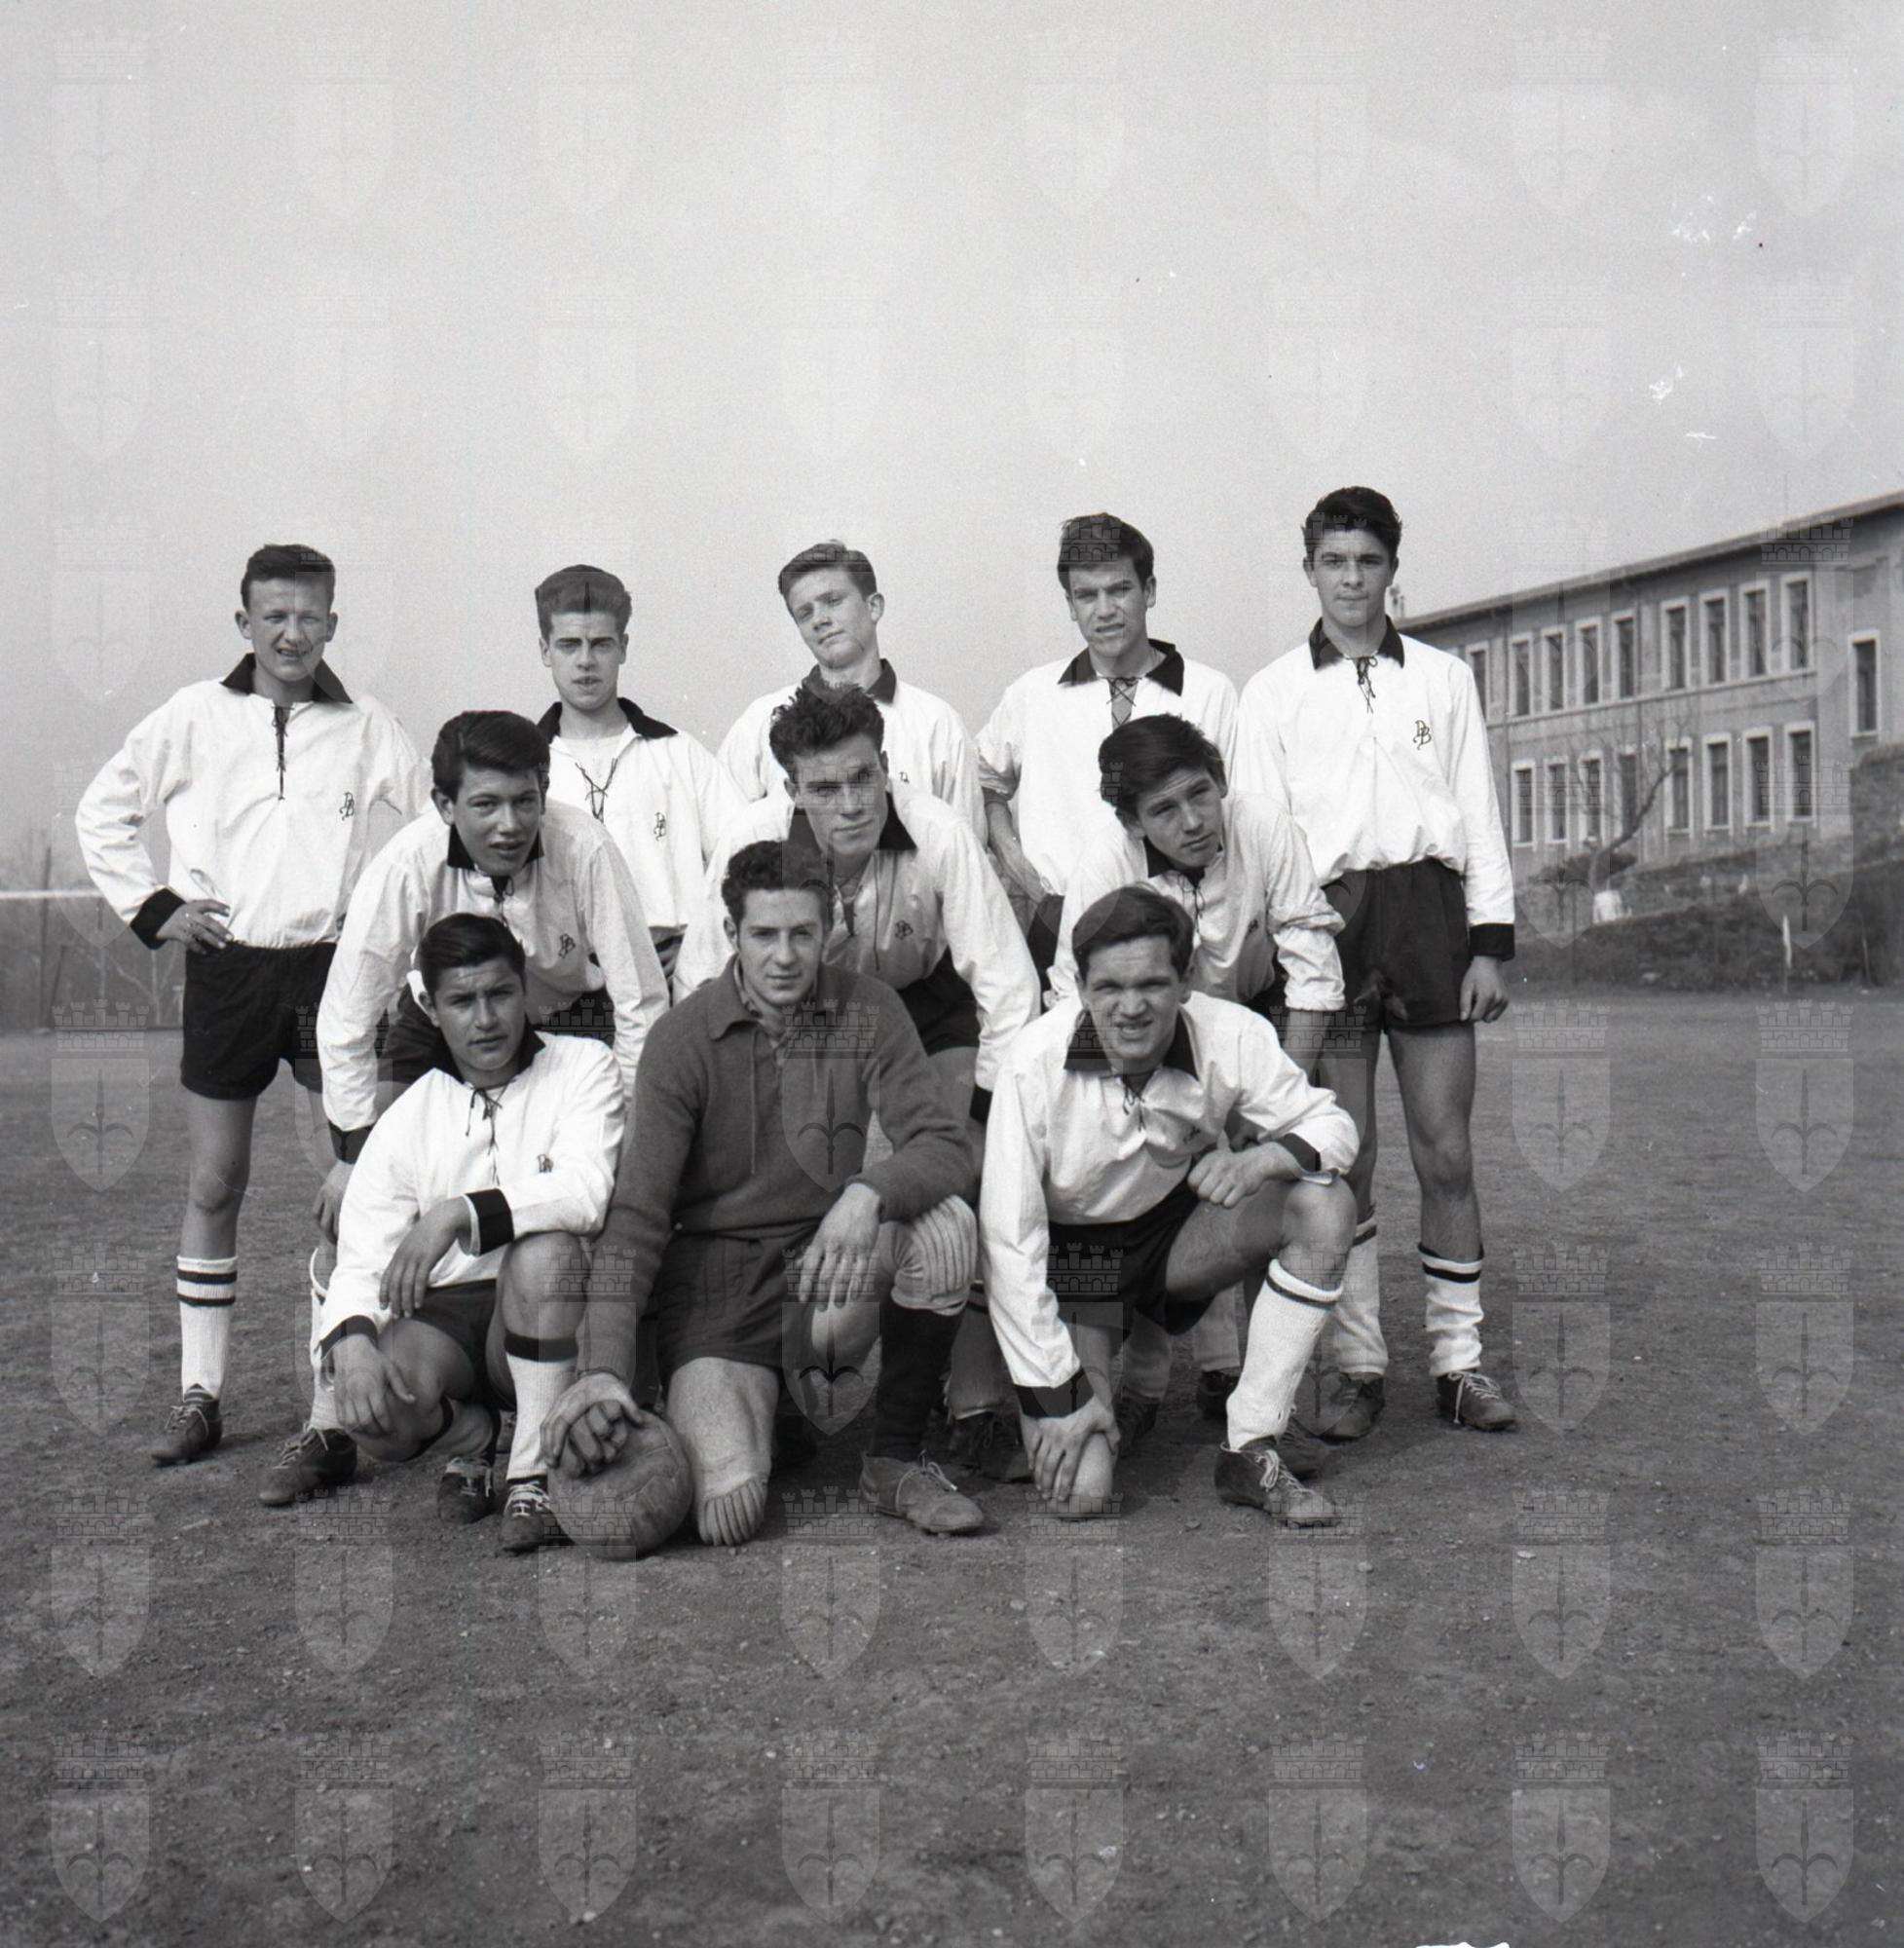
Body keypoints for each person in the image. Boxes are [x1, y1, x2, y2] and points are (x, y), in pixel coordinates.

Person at [73, 542, 426, 1488]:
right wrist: (157, 908)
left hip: (327, 974)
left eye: (309, 616)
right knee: (215, 1181)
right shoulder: (194, 713)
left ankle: (330, 1415)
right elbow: (102, 811)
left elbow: (433, 821)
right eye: (274, 616)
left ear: (332, 624)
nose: (291, 633)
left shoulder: (366, 724)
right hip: (227, 969)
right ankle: (200, 1394)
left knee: (352, 1188)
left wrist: (396, 931)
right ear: (245, 622)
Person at [540, 840, 987, 1548]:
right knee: (730, 1514)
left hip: (822, 1268)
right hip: (715, 1290)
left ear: (828, 930)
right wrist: (601, 1368)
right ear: (732, 933)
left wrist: (868, 1194)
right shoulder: (680, 1039)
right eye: (764, 935)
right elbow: (636, 1220)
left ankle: (895, 1460)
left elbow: (943, 1146)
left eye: (802, 934)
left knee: (943, 1227)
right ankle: (760, 1411)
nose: (784, 956)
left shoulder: (869, 1008)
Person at [306, 710, 668, 1505]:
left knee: (587, 1215)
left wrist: (630, 1139)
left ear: (545, 791)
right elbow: (346, 1013)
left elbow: (640, 999)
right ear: (444, 805)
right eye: (484, 805)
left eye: (524, 800)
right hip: (438, 1013)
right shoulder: (406, 863)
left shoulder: (584, 848)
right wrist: (350, 1151)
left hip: (570, 1018)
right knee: (362, 1205)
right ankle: (331, 1417)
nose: (508, 824)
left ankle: (560, 1404)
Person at [681, 684, 1040, 1473]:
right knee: (788, 1174)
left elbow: (1008, 990)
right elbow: (702, 982)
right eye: (823, 788)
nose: (850, 805)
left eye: (862, 778)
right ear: (790, 789)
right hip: (799, 1012)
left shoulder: (937, 830)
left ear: (885, 764)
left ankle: (972, 1400)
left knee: (965, 1177)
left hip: (924, 1007)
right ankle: (781, 1374)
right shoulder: (752, 839)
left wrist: (981, 1121)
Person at [1232, 486, 1517, 1440]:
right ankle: (1358, 1366)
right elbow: (1262, 837)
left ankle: (1458, 1363)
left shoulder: (1442, 677)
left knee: (1447, 1150)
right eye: (1332, 562)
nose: (1350, 579)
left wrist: (1489, 941)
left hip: (1428, 919)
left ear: (1392, 570)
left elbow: (1476, 809)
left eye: (1366, 561)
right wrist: (1279, 950)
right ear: (1308, 569)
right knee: (1344, 1157)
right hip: (1328, 927)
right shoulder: (1271, 692)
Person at [982, 886, 1359, 1522]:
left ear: (1185, 981)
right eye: (1108, 987)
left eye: (1152, 984)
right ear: (1079, 987)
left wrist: (1261, 1159)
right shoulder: (1031, 1063)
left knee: (1322, 1205)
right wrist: (1058, 1393)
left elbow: (1333, 1127)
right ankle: (1100, 1375)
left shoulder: (1230, 1032)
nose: (1130, 1007)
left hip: (1173, 1239)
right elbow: (1009, 1243)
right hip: (1076, 1261)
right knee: (1083, 1494)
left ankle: (1252, 1442)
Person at [1049, 714, 1347, 1430]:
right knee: (1157, 1181)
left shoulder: (1263, 826)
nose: (1191, 821)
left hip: (1256, 1021)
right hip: (1144, 1041)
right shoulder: (1101, 866)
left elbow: (1312, 970)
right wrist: (1162, 1108)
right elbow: (1074, 1004)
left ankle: (1265, 1404)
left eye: (1200, 794)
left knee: (1292, 1177)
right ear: (1131, 822)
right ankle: (1144, 1380)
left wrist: (1262, 1127)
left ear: (1220, 782)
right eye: (1163, 809)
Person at [319, 916, 622, 1553]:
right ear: (431, 1008)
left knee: (546, 1254)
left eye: (500, 994)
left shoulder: (584, 1065)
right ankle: (473, 1435)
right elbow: (362, 1254)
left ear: (525, 990)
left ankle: (530, 1475)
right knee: (373, 1414)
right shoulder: (410, 1113)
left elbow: (586, 1191)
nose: (486, 1019)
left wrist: (458, 1212)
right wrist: (352, 1342)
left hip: (546, 1310)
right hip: (449, 1326)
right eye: (462, 1001)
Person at [977, 512, 1239, 977]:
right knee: (1067, 1025)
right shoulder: (1031, 694)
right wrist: (1023, 873)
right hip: (1058, 917)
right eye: (1086, 595)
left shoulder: (1210, 690)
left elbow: (1232, 810)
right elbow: (986, 784)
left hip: (1175, 924)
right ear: (1070, 604)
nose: (1104, 610)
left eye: (1119, 590)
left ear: (1149, 590)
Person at [532, 563, 742, 986]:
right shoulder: (525, 765)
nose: (586, 661)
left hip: (672, 974)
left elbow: (747, 857)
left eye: (601, 644)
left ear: (623, 647)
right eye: (569, 645)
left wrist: (702, 945)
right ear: (545, 650)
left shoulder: (678, 752)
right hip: (564, 986)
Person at [719, 540, 984, 837]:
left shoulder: (936, 723)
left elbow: (965, 845)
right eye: (805, 613)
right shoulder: (761, 721)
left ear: (873, 606)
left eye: (833, 601)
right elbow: (728, 841)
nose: (819, 619)